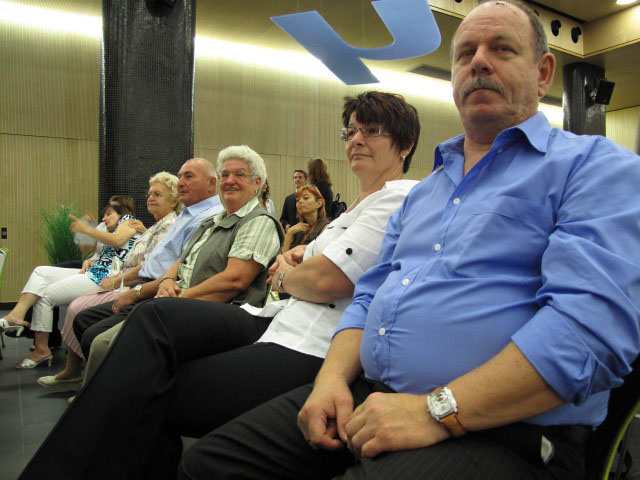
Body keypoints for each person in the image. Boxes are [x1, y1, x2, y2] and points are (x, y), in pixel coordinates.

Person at [172, 2, 640, 480]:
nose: (478, 61)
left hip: (505, 430)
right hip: (368, 394)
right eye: (465, 54)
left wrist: (436, 410)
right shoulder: (425, 195)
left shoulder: (594, 167)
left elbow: (587, 330)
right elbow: (369, 294)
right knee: (205, 465)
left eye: (502, 49)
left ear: (542, 73)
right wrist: (330, 380)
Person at [18, 91, 420, 480]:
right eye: (350, 132)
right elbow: (291, 265)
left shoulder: (399, 199)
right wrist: (292, 271)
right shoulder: (355, 208)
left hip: (312, 339)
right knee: (155, 319)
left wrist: (289, 274)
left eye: (373, 131)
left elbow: (321, 278)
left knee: (149, 392)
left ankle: (58, 469)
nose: (357, 140)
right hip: (276, 315)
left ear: (405, 145)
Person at [69, 145, 281, 359]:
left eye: (239, 174)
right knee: (93, 330)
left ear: (257, 183)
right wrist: (166, 281)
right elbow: (182, 259)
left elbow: (234, 280)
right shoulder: (212, 221)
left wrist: (170, 299)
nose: (229, 180)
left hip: (217, 310)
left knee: (102, 342)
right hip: (173, 297)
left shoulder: (258, 221)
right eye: (225, 174)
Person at [58, 157, 223, 359]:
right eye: (180, 177)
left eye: (188, 177)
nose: (181, 182)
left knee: (88, 327)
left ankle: (91, 378)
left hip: (152, 287)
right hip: (133, 279)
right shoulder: (182, 216)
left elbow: (176, 266)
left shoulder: (207, 217)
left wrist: (132, 289)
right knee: (82, 316)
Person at [36, 172, 181, 389]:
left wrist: (117, 279)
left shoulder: (156, 225)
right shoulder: (151, 226)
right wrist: (92, 256)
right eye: (149, 193)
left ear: (174, 199)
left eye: (158, 194)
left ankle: (85, 376)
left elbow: (148, 264)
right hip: (117, 276)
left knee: (76, 306)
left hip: (131, 283)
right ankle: (75, 370)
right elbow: (98, 251)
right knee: (48, 280)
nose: (151, 197)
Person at [0, 203, 139, 369]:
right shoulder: (107, 228)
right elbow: (94, 251)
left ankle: (42, 349)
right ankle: (17, 314)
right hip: (94, 271)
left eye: (109, 214)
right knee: (41, 272)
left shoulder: (129, 221)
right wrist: (88, 241)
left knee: (45, 295)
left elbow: (118, 241)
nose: (104, 218)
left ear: (122, 213)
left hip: (105, 278)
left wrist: (87, 229)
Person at [281, 184, 329, 253]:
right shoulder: (296, 228)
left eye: (305, 198)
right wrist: (289, 233)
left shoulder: (326, 228)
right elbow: (282, 256)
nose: (300, 201)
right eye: (297, 200)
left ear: (319, 203)